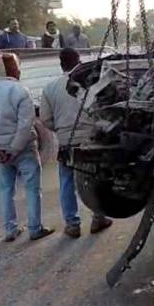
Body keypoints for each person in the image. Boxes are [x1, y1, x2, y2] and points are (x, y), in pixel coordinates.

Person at [0, 53, 55, 242]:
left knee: (6, 191)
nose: (19, 70)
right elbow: (26, 124)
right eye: (17, 67)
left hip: (0, 152)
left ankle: (10, 230)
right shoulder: (20, 91)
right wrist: (14, 149)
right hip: (23, 149)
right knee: (32, 189)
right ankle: (35, 228)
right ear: (10, 69)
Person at [40, 48, 113, 238]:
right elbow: (102, 110)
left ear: (61, 64)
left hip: (66, 142)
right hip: (90, 139)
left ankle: (72, 225)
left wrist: (61, 130)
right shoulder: (90, 84)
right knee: (94, 179)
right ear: (79, 62)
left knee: (66, 183)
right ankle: (98, 218)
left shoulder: (50, 88)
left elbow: (45, 119)